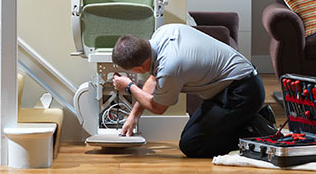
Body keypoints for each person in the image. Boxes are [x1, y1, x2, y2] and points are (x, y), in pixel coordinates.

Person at [111, 23, 276, 158]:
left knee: (191, 145)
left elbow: (158, 107)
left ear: (139, 68)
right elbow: (153, 79)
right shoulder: (163, 33)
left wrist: (129, 86)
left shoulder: (170, 66)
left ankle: (257, 132)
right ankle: (252, 118)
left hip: (243, 92)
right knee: (191, 136)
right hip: (227, 88)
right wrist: (133, 115)